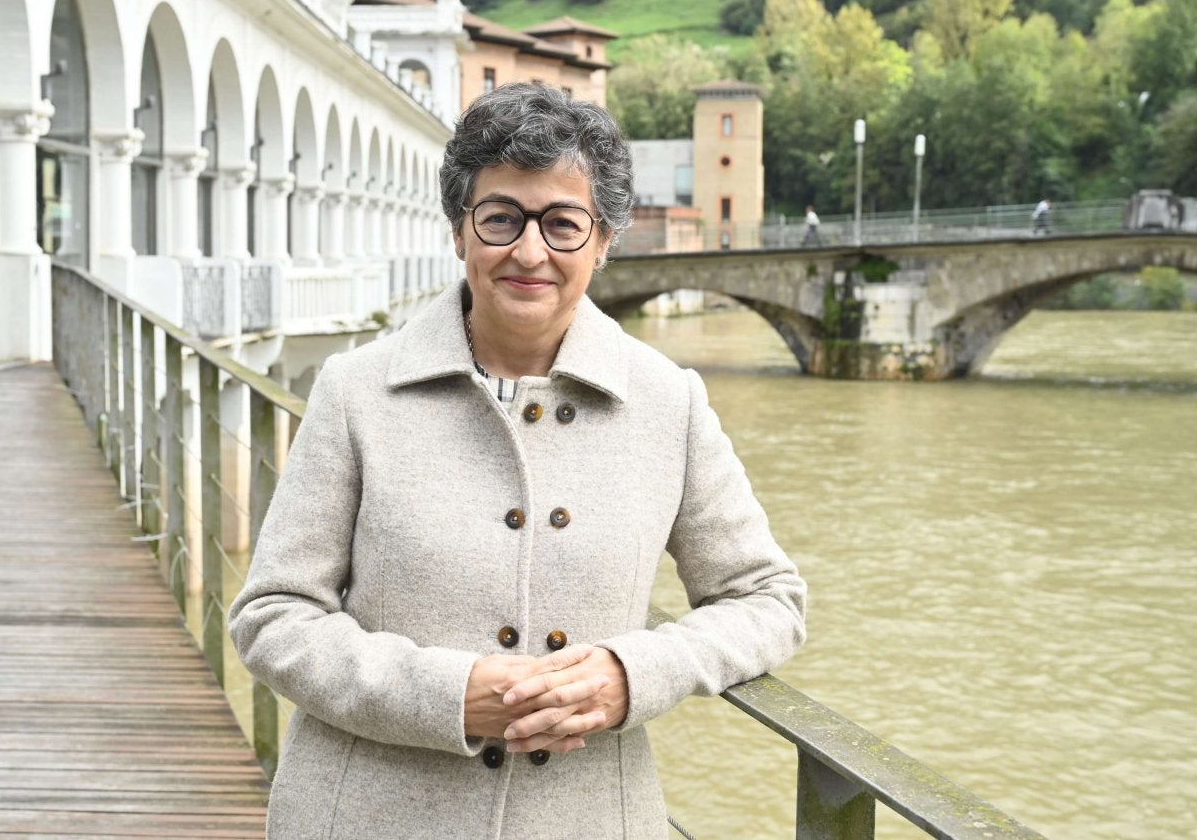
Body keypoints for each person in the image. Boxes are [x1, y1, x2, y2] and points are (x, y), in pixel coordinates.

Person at [228, 82, 807, 839]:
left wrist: (633, 675)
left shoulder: (671, 404)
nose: (529, 251)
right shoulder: (354, 392)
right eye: (501, 217)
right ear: (459, 231)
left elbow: (768, 599)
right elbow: (273, 615)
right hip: (369, 815)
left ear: (602, 241)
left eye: (563, 223)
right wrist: (445, 693)